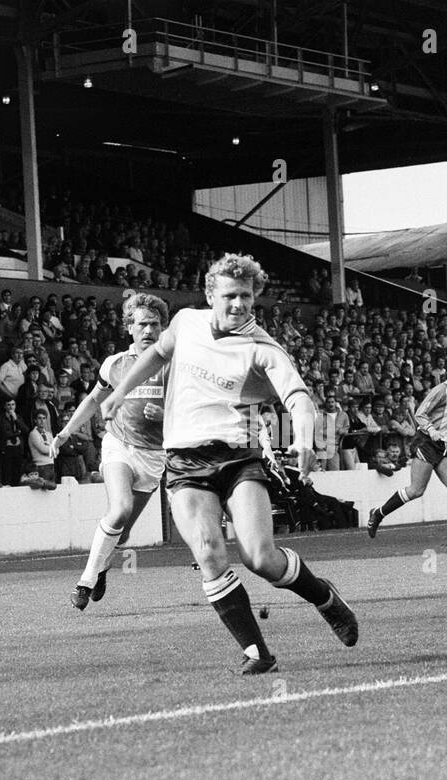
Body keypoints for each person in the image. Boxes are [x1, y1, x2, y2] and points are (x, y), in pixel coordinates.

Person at [100, 253, 357, 675]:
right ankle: (258, 652)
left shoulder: (262, 347)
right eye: (230, 296)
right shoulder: (184, 322)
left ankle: (325, 598)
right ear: (210, 295)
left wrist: (307, 438)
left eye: (246, 297)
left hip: (237, 460)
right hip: (184, 460)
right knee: (208, 552)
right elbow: (157, 355)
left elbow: (298, 398)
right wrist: (118, 391)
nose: (238, 305)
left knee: (260, 558)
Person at [51, 293, 168, 610]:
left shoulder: (174, 365)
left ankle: (103, 567)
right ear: (129, 327)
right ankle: (85, 581)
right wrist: (64, 432)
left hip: (154, 457)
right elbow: (92, 400)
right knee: (119, 510)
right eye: (142, 324)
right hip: (119, 446)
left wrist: (166, 415)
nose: (148, 331)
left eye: (155, 325)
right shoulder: (115, 364)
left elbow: (192, 411)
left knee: (123, 534)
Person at [366, 357, 447, 543]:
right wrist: (432, 431)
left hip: (443, 445)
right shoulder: (440, 390)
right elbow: (420, 413)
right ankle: (378, 514)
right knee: (416, 490)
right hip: (426, 442)